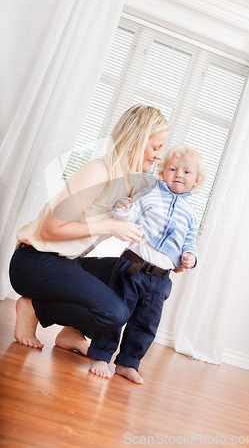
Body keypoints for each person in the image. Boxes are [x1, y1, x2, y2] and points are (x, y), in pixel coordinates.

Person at [9, 105, 170, 384]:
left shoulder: (136, 184)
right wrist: (109, 225)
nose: (159, 155)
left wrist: (177, 255)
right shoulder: (99, 171)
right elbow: (50, 228)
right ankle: (34, 307)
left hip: (67, 262)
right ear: (136, 141)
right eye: (155, 147)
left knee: (132, 271)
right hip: (34, 261)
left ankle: (72, 332)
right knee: (114, 313)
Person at [88, 145, 206, 383]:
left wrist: (191, 257)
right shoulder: (151, 194)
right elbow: (131, 216)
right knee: (117, 313)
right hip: (133, 267)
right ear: (163, 171)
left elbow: (189, 241)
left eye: (186, 172)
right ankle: (100, 355)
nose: (178, 174)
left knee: (146, 323)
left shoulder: (191, 214)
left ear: (196, 180)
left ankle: (128, 362)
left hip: (161, 279)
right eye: (172, 169)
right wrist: (123, 210)